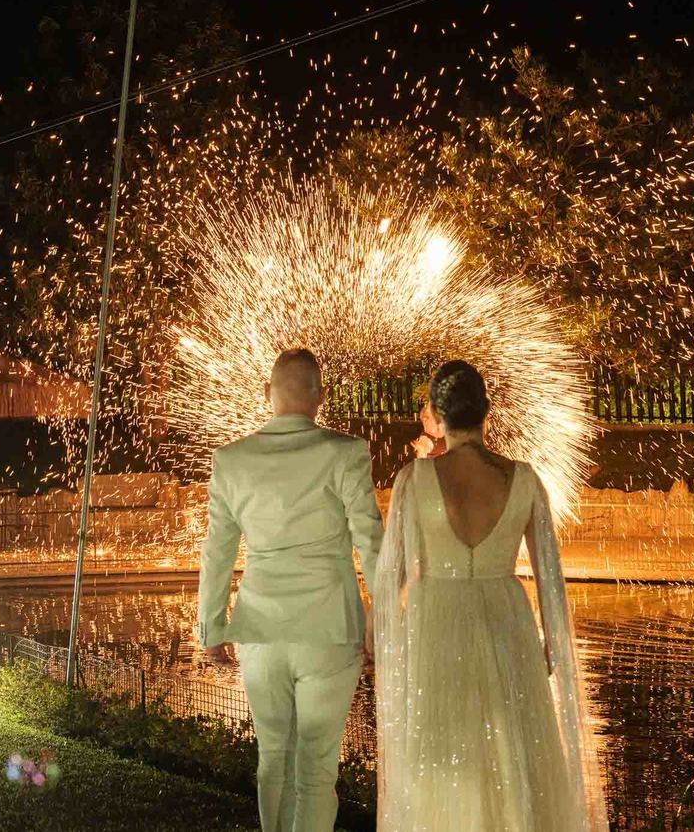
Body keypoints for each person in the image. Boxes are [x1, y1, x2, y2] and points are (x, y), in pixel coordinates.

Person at [374, 360, 608, 831]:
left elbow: (388, 578)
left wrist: (386, 643)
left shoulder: (411, 481)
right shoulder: (525, 480)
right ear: (488, 412)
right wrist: (552, 645)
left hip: (435, 623)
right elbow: (550, 579)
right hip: (507, 623)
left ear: (438, 416)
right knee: (510, 748)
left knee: (441, 751)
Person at [197, 348, 384, 832]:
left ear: (267, 394)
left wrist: (212, 628)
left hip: (260, 627)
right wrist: (380, 622)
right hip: (329, 628)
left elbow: (217, 552)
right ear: (320, 398)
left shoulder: (231, 460)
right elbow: (370, 542)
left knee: (273, 757)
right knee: (318, 771)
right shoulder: (345, 451)